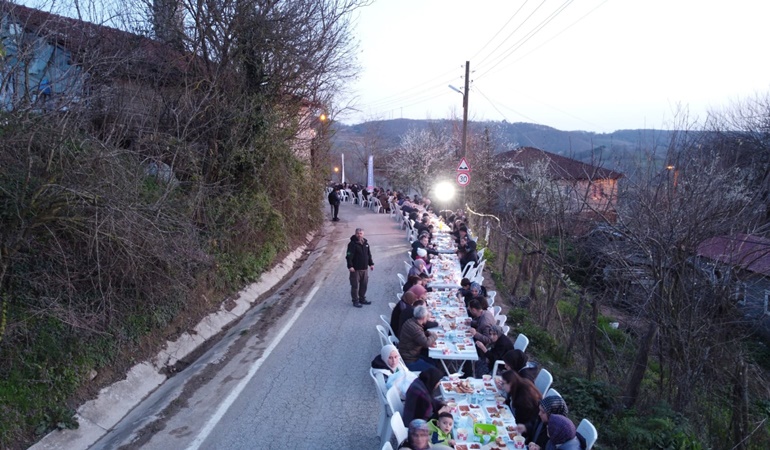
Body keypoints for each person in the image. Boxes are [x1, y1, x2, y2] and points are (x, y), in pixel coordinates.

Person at [399, 306, 438, 371]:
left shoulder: (411, 321)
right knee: (434, 370)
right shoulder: (415, 328)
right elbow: (426, 343)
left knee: (433, 360)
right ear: (424, 317)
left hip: (407, 354)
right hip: (410, 360)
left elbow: (418, 336)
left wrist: (427, 333)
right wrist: (434, 335)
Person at [346, 228, 374, 308]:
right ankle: (355, 301)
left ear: (363, 234)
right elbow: (348, 256)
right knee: (355, 286)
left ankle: (362, 299)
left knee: (364, 285)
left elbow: (369, 254)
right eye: (358, 233)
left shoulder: (366, 243)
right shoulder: (352, 244)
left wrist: (371, 264)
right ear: (355, 234)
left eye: (361, 233)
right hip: (355, 270)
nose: (359, 235)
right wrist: (350, 266)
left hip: (364, 269)